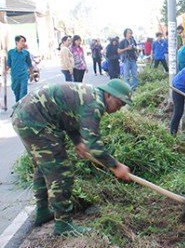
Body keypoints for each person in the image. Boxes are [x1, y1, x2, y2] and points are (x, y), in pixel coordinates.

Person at [11, 79, 133, 235]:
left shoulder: (90, 95)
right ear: (109, 95)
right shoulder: (95, 105)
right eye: (120, 103)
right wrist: (116, 166)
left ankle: (42, 211)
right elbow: (94, 145)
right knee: (61, 171)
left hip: (26, 117)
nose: (119, 109)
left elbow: (68, 117)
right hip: (35, 122)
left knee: (44, 167)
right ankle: (63, 224)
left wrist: (78, 141)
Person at [6, 35, 33, 102]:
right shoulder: (11, 52)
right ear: (17, 42)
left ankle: (22, 107)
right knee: (16, 93)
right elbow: (8, 65)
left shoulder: (26, 53)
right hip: (15, 76)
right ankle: (18, 106)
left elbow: (29, 64)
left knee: (23, 93)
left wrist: (31, 74)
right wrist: (4, 71)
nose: (23, 43)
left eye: (24, 41)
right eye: (22, 41)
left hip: (24, 75)